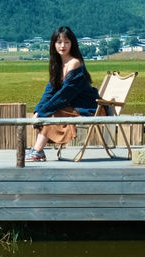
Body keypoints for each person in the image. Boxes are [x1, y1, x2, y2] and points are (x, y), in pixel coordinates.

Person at [27, 26, 100, 163]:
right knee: (49, 111)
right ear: (53, 44)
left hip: (86, 106)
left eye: (66, 42)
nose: (62, 46)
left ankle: (37, 151)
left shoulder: (75, 63)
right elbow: (49, 91)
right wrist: (38, 110)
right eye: (59, 42)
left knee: (52, 114)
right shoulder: (57, 64)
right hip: (71, 105)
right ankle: (37, 151)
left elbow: (64, 96)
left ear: (72, 44)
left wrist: (43, 113)